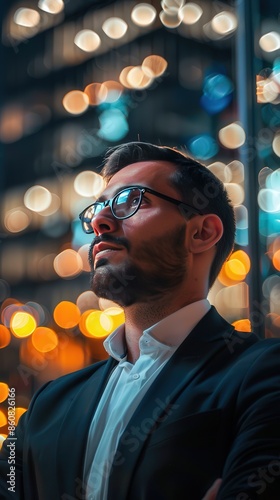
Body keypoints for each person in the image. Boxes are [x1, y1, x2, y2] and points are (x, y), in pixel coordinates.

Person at [1, 141, 280, 500]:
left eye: (131, 201)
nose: (99, 222)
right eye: (99, 209)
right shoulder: (48, 404)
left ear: (201, 233)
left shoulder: (263, 374)